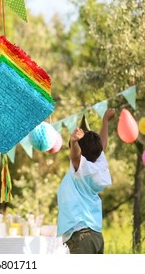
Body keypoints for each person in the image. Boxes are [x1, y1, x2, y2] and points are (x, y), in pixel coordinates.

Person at [57, 108, 116, 254]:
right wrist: (105, 121)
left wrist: (73, 141)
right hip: (95, 234)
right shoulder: (98, 166)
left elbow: (75, 156)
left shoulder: (82, 170)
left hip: (81, 234)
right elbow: (102, 145)